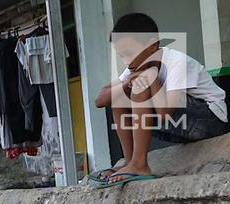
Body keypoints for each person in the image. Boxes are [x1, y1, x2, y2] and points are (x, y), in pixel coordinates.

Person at [90, 12, 229, 187]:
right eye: (122, 55)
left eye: (130, 53)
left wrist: (151, 77)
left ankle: (139, 165)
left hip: (211, 119)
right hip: (182, 124)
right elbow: (100, 100)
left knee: (139, 88)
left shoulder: (177, 62)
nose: (127, 61)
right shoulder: (135, 65)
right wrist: (126, 84)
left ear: (152, 46)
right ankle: (128, 162)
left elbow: (165, 112)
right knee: (119, 95)